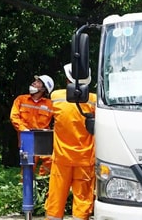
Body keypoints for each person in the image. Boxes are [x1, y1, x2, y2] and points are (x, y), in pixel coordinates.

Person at [45, 63, 96, 220]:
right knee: (82, 202)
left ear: (67, 79)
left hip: (62, 159)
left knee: (55, 200)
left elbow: (44, 120)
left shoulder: (56, 97)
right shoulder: (94, 100)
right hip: (85, 159)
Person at [10, 74, 54, 176]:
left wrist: (51, 131)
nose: (34, 83)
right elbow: (14, 117)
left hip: (43, 140)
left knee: (50, 161)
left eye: (38, 82)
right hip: (26, 139)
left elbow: (59, 119)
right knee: (27, 167)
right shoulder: (21, 99)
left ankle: (42, 181)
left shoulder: (50, 104)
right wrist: (23, 129)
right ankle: (25, 185)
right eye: (35, 81)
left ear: (43, 89)